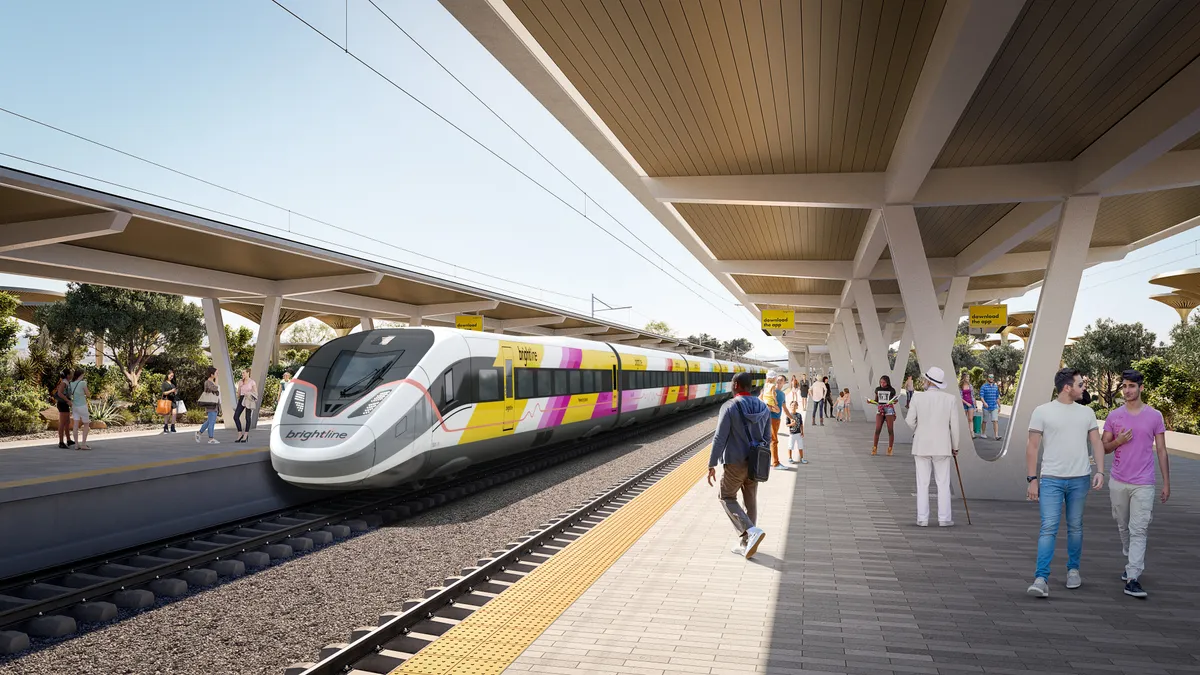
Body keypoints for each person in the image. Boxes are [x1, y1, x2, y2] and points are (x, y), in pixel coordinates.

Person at [1025, 368, 1105, 598]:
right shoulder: (1042, 412)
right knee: (1048, 528)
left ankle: (1073, 570)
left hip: (1080, 479)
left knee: (1075, 527)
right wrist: (1032, 479)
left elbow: (1096, 442)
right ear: (1067, 387)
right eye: (1080, 384)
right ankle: (1041, 579)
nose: (1084, 388)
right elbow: (1032, 446)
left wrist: (1100, 470)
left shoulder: (1087, 412)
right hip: (1051, 479)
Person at [1102, 369, 1170, 599]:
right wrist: (1119, 441)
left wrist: (1166, 483)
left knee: (1139, 529)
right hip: (1118, 481)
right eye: (1125, 386)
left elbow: (1161, 450)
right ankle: (1130, 558)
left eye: (1132, 386)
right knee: (1123, 526)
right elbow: (1104, 448)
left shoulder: (1155, 416)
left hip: (1144, 482)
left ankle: (1133, 577)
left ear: (1141, 388)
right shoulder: (1114, 416)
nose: (1128, 390)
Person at [707, 372, 770, 559]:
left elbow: (720, 438)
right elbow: (767, 439)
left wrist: (711, 463)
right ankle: (746, 544)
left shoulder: (729, 406)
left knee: (726, 496)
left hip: (734, 461)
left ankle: (751, 531)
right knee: (750, 500)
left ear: (736, 384)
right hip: (756, 462)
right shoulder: (763, 407)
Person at [904, 367, 960, 526]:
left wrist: (919, 429)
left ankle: (922, 518)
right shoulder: (950, 399)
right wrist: (955, 446)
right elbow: (954, 426)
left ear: (929, 381)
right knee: (943, 483)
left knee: (922, 483)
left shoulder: (917, 398)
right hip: (942, 446)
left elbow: (909, 421)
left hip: (921, 444)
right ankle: (944, 519)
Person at [868, 375, 899, 456]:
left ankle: (890, 448)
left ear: (887, 382)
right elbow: (876, 400)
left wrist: (895, 401)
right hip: (880, 408)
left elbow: (893, 400)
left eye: (884, 382)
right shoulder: (878, 389)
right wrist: (871, 401)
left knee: (890, 429)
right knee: (877, 428)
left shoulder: (891, 390)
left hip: (889, 409)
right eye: (881, 382)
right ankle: (874, 447)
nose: (882, 384)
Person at [196, 366, 221, 445]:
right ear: (211, 374)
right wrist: (217, 379)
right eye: (216, 373)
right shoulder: (208, 382)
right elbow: (215, 389)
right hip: (211, 405)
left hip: (214, 405)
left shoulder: (211, 382)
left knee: (209, 422)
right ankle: (211, 438)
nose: (217, 375)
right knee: (212, 422)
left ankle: (199, 433)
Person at [67, 369, 91, 451]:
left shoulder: (71, 383)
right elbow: (88, 394)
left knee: (75, 425)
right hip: (82, 406)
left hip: (75, 406)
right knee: (86, 424)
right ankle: (83, 444)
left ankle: (76, 445)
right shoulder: (83, 383)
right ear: (81, 375)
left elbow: (70, 394)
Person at [233, 368, 258, 443]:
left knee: (247, 417)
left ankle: (246, 435)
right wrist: (239, 399)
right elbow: (238, 393)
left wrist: (249, 393)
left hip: (249, 399)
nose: (242, 374)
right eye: (242, 373)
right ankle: (240, 434)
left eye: (244, 373)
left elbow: (256, 393)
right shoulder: (240, 382)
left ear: (248, 373)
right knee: (235, 416)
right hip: (241, 399)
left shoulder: (252, 382)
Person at [53, 370, 75, 449]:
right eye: (71, 374)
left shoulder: (67, 383)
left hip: (65, 404)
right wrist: (67, 400)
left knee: (67, 422)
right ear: (67, 375)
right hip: (62, 404)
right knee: (62, 423)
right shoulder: (63, 383)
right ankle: (61, 442)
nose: (72, 375)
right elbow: (59, 393)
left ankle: (68, 440)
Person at [979, 374, 1001, 440]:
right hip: (986, 407)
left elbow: (997, 397)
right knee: (985, 420)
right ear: (987, 378)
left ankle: (996, 435)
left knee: (995, 420)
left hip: (994, 406)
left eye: (992, 377)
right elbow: (981, 396)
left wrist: (999, 406)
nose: (991, 378)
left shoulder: (995, 387)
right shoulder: (984, 386)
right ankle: (983, 433)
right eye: (990, 377)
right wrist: (984, 403)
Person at [785, 399, 806, 465]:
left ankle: (802, 458)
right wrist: (791, 424)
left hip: (798, 433)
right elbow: (787, 424)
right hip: (792, 434)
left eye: (795, 405)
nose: (793, 407)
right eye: (792, 405)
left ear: (797, 407)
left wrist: (802, 431)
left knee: (800, 446)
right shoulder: (788, 415)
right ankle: (790, 458)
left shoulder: (799, 415)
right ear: (790, 406)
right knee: (790, 446)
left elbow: (801, 424)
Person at [161, 370, 178, 434]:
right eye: (171, 375)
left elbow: (175, 392)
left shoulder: (173, 384)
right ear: (167, 375)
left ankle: (173, 427)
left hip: (173, 399)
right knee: (166, 414)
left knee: (174, 413)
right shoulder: (164, 383)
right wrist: (171, 391)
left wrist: (175, 392)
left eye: (172, 376)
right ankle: (166, 427)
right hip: (167, 400)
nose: (172, 377)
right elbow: (164, 393)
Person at [959, 372, 976, 439]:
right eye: (967, 377)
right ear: (964, 378)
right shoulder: (960, 386)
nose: (968, 379)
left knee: (970, 419)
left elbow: (973, 395)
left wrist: (975, 405)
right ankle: (963, 432)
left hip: (971, 403)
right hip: (964, 404)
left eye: (969, 377)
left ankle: (972, 433)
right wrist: (966, 403)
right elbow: (960, 397)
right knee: (964, 419)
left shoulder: (970, 386)